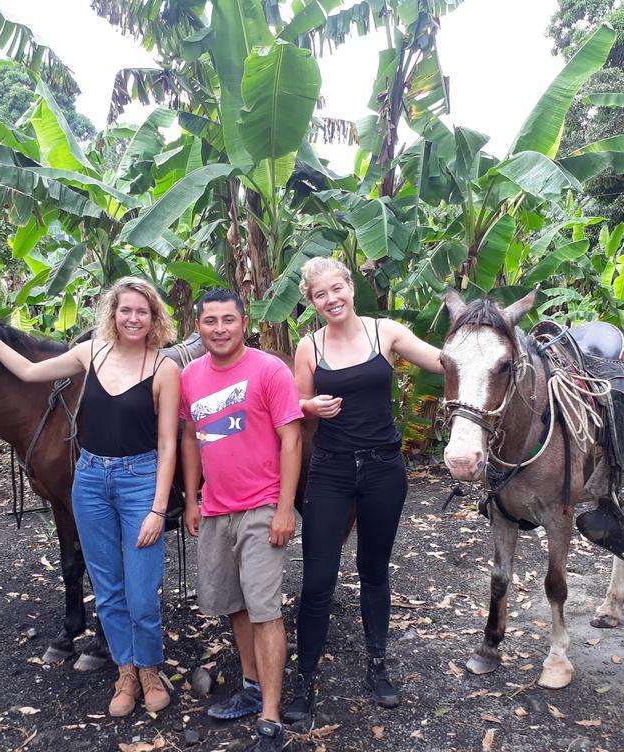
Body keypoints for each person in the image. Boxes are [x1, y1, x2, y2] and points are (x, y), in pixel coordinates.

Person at [0, 277, 180, 718]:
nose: (133, 318)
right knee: (109, 590)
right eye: (125, 310)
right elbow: (25, 371)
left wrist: (157, 506)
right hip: (91, 481)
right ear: (112, 313)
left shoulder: (164, 368)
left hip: (140, 481)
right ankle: (126, 671)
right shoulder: (89, 353)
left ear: (154, 318)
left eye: (142, 312)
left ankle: (151, 669)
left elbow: (169, 443)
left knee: (142, 591)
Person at [282, 257, 444, 723]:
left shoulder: (385, 332)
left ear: (351, 288)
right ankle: (304, 678)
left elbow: (438, 360)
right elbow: (297, 404)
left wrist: (482, 346)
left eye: (337, 289)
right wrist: (310, 404)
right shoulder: (309, 346)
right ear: (311, 302)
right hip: (330, 470)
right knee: (316, 580)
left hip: (382, 469)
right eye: (320, 295)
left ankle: (377, 665)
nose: (331, 299)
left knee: (373, 569)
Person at [180, 289, 302, 752]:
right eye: (210, 321)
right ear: (199, 326)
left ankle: (270, 717)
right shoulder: (191, 376)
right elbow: (191, 437)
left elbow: (290, 440)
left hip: (261, 507)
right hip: (215, 508)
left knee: (266, 610)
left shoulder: (269, 370)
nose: (220, 329)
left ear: (243, 321)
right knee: (234, 604)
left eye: (228, 319)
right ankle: (250, 688)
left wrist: (285, 507)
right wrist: (192, 499)